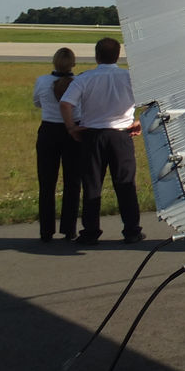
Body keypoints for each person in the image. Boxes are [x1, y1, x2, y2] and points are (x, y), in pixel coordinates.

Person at [59, 37, 144, 245]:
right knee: (125, 184)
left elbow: (66, 103)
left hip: (93, 135)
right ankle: (132, 230)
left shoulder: (85, 78)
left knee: (92, 184)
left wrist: (71, 127)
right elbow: (151, 100)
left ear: (97, 55)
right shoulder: (129, 77)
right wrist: (138, 121)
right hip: (121, 135)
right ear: (118, 55)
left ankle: (90, 231)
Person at [32, 47, 81, 242]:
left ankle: (46, 230)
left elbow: (37, 103)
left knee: (46, 183)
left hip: (48, 131)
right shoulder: (79, 82)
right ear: (73, 64)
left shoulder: (42, 81)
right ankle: (69, 229)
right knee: (72, 182)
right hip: (73, 131)